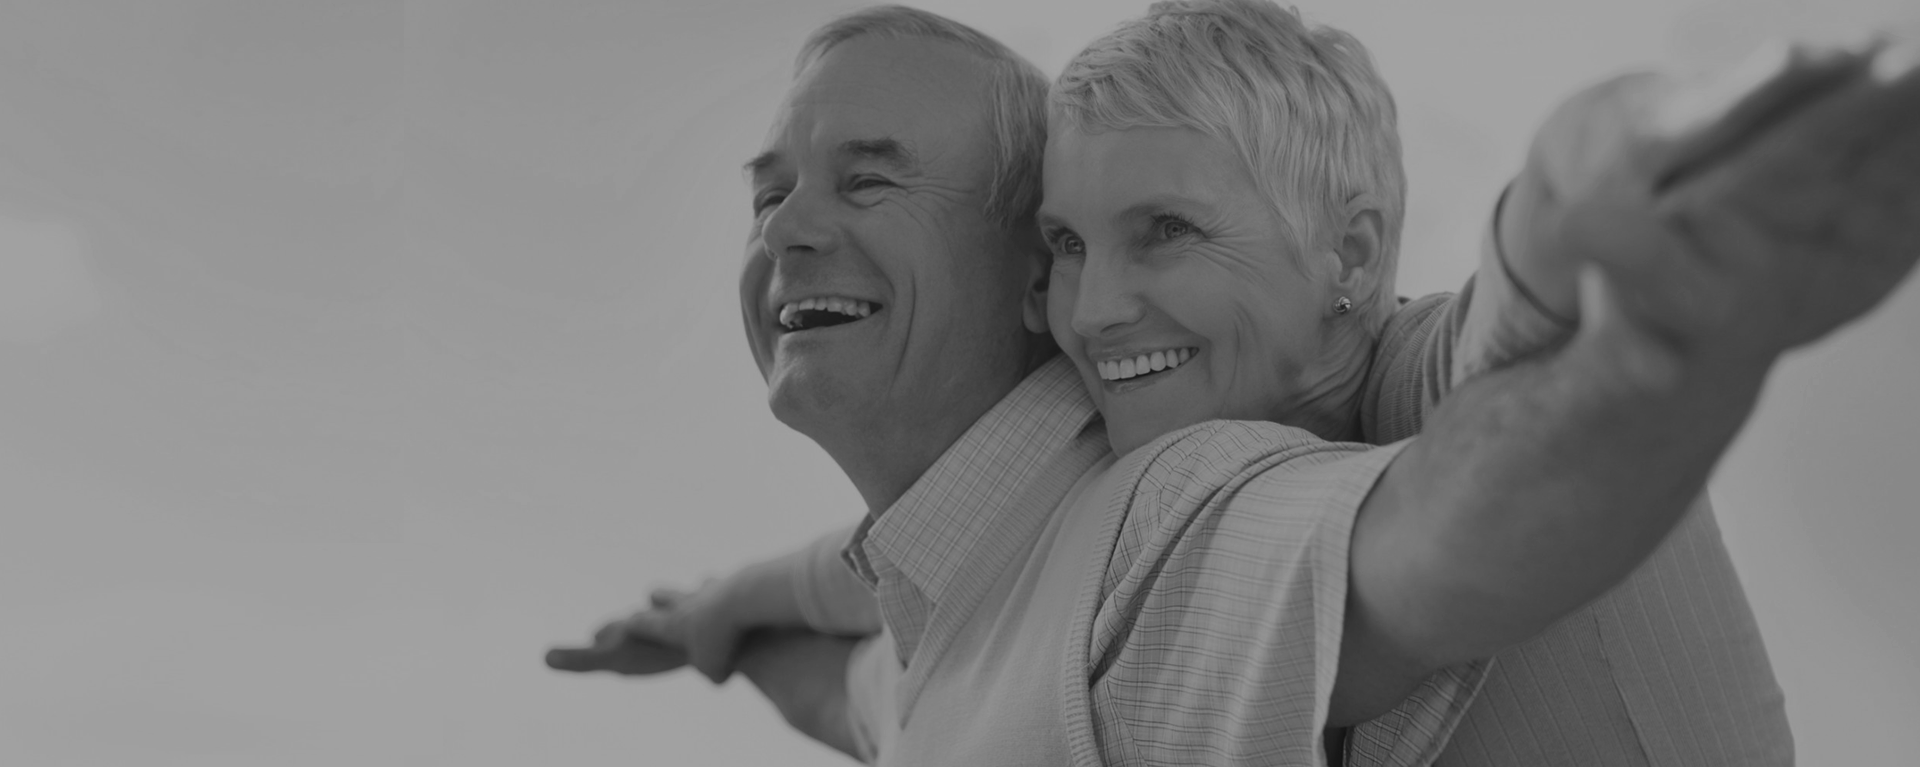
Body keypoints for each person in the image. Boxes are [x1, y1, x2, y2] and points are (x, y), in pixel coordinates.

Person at [548, 3, 1920, 764]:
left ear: (1351, 257)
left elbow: (1506, 363)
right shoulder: (966, 584)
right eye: (1070, 243)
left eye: (1167, 231)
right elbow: (857, 641)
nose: (1097, 308)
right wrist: (713, 620)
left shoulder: (1272, 454)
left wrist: (1660, 265)